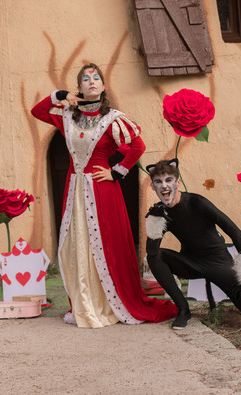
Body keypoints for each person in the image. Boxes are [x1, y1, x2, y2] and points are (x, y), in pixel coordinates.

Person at [31, 63, 177, 328]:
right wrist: (61, 95)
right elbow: (37, 111)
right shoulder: (67, 116)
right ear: (79, 87)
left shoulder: (113, 119)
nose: (92, 81)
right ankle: (86, 302)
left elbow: (137, 146)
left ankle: (111, 303)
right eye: (86, 79)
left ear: (103, 86)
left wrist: (116, 172)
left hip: (102, 189)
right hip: (75, 190)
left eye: (96, 77)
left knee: (106, 243)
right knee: (78, 244)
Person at [145, 159, 241, 329]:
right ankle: (183, 309)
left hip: (218, 262)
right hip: (190, 263)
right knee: (156, 257)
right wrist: (155, 221)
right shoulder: (161, 212)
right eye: (158, 182)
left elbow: (236, 232)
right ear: (153, 186)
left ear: (178, 182)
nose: (164, 186)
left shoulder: (196, 202)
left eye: (168, 180)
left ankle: (238, 292)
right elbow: (152, 251)